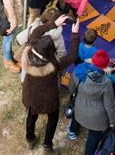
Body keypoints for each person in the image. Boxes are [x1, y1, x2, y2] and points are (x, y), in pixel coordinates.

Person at [21, 17, 80, 152]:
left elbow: (36, 31)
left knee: (31, 115)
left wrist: (54, 24)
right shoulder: (55, 64)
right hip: (49, 98)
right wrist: (75, 33)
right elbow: (72, 55)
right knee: (52, 119)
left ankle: (30, 138)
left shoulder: (30, 48)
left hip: (31, 94)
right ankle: (47, 146)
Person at [67, 49, 115, 154]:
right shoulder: (106, 82)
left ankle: (72, 132)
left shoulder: (79, 70)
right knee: (94, 137)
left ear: (93, 60)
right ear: (105, 66)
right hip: (97, 118)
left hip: (79, 108)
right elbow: (110, 105)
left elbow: (71, 88)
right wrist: (113, 122)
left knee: (76, 120)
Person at [0, 0, 26, 73]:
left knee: (8, 39)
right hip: (10, 19)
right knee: (8, 39)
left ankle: (9, 55)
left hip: (12, 17)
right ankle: (8, 61)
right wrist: (13, 22)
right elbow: (8, 6)